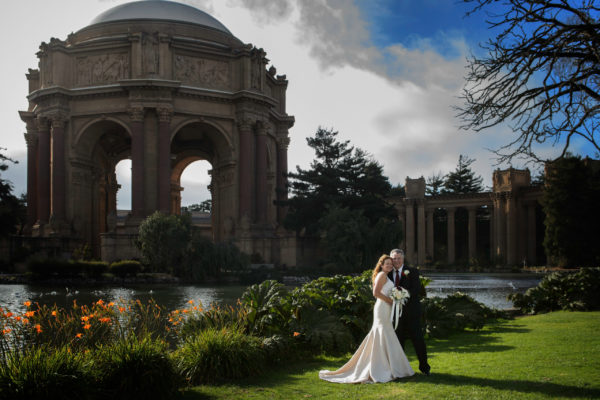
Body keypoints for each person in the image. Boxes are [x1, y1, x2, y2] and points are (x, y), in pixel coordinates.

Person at [319, 255, 414, 383]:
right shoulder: (381, 275)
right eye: (387, 264)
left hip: (385, 307)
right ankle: (383, 367)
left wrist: (396, 298)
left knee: (386, 333)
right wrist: (391, 301)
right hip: (382, 307)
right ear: (381, 265)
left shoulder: (385, 276)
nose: (390, 266)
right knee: (383, 333)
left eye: (391, 264)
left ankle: (391, 367)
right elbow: (376, 293)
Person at [388, 248, 431, 375]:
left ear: (403, 259)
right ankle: (400, 369)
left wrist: (402, 295)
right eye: (394, 258)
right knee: (398, 341)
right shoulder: (387, 273)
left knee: (418, 340)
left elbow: (416, 289)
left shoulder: (412, 271)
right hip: (395, 314)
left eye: (399, 258)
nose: (396, 261)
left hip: (412, 312)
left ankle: (425, 368)